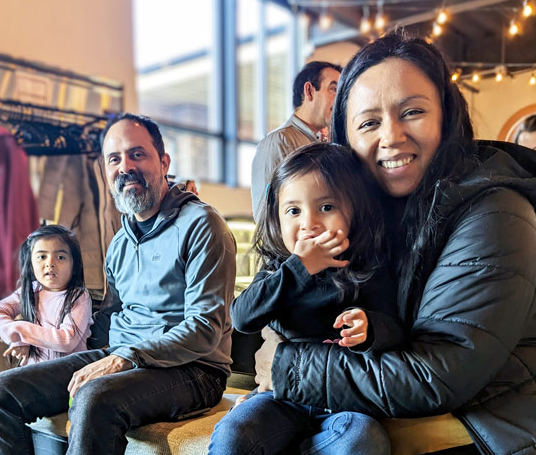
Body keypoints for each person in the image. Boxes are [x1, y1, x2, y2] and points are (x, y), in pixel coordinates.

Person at [253, 31, 536, 455]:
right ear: (344, 140)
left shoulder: (496, 211)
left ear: (447, 115)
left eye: (413, 112)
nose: (392, 136)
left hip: (480, 433)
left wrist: (289, 365)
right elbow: (258, 326)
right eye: (369, 122)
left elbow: (436, 375)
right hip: (392, 418)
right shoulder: (368, 210)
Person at [0, 113, 237, 455]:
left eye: (137, 154)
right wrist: (44, 340)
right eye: (114, 159)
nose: (125, 166)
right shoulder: (120, 243)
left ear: (164, 161)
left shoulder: (202, 225)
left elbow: (205, 329)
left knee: (94, 397)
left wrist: (125, 357)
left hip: (194, 369)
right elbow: (107, 320)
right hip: (124, 355)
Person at [209, 143, 403, 455]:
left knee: (363, 438)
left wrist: (371, 328)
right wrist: (299, 268)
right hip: (280, 398)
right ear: (278, 218)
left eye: (326, 207)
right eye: (294, 211)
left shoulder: (368, 267)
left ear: (356, 210)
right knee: (235, 432)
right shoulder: (278, 269)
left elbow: (395, 326)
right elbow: (243, 316)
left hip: (344, 404)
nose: (308, 224)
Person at [0, 224, 93, 455]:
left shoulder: (78, 296)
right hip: (34, 377)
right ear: (31, 262)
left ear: (74, 265)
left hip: (66, 380)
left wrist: (21, 330)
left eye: (61, 256)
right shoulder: (31, 291)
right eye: (41, 256)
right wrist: (16, 337)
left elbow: (66, 339)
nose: (50, 263)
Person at [250, 61, 341, 221]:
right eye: (334, 89)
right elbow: (266, 217)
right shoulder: (278, 142)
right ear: (309, 91)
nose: (340, 99)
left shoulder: (323, 144)